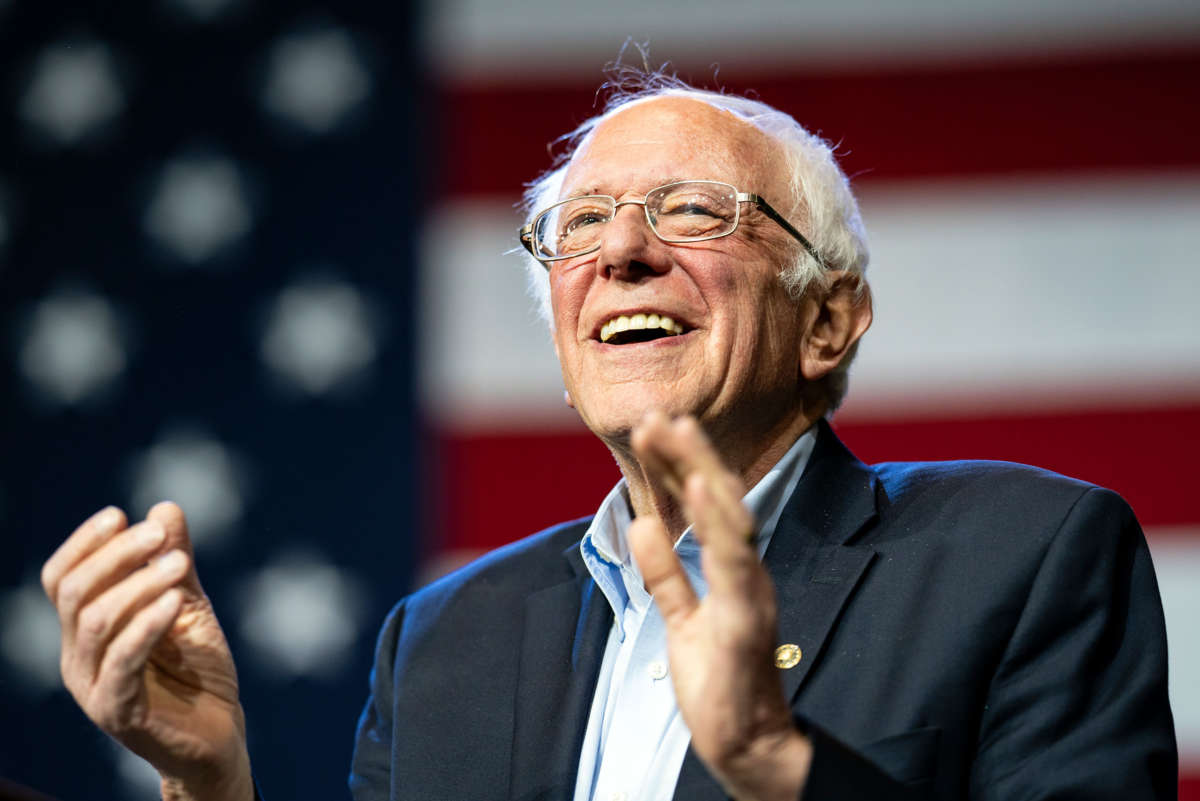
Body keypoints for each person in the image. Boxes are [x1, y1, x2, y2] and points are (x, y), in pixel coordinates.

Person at [41, 71, 1176, 801]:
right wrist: (207, 780)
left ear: (826, 320)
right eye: (579, 225)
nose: (620, 251)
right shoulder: (445, 641)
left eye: (693, 210)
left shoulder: (1022, 556)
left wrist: (781, 767)